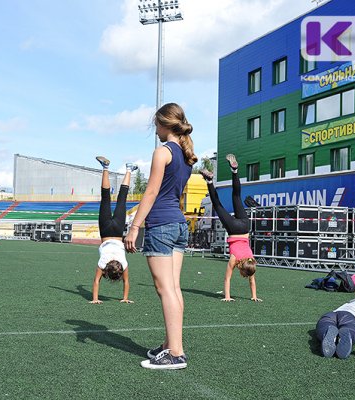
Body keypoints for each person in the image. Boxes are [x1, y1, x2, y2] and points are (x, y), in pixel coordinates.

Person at [125, 103, 196, 370]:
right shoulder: (186, 157)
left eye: (156, 125)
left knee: (165, 289)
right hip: (178, 225)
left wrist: (134, 228)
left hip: (161, 225)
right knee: (174, 288)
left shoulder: (162, 152)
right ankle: (172, 345)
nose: (155, 130)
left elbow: (151, 193)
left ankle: (175, 353)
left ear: (165, 124)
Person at [199, 154, 260, 302]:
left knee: (236, 196)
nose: (246, 276)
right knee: (218, 205)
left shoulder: (251, 261)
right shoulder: (234, 260)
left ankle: (235, 171)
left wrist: (254, 296)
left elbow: (252, 280)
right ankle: (209, 181)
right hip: (233, 229)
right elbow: (227, 279)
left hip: (245, 226)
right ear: (243, 269)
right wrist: (227, 297)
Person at [90, 156, 138, 305]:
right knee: (105, 198)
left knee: (122, 199)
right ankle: (105, 167)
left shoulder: (123, 263)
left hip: (117, 231)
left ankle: (129, 169)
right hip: (105, 230)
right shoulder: (102, 263)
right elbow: (96, 281)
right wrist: (95, 299)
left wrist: (125, 297)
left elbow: (126, 281)